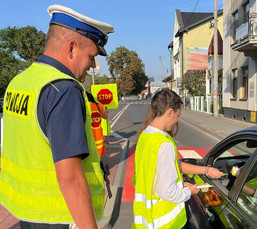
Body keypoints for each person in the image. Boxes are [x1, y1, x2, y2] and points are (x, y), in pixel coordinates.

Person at [0, 4, 114, 229]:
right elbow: (70, 178)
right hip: (61, 217)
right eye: (91, 56)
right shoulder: (64, 90)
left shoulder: (20, 82)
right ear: (71, 47)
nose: (92, 65)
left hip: (28, 214)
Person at [132, 88, 224, 229]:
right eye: (177, 115)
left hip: (147, 220)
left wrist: (180, 185)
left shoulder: (145, 137)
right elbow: (168, 192)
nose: (176, 121)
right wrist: (189, 192)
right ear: (170, 112)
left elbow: (151, 177)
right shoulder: (164, 144)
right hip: (167, 223)